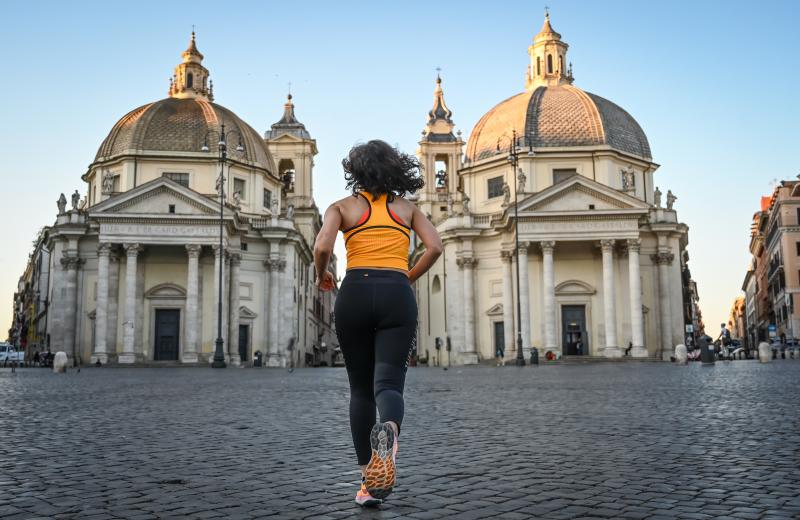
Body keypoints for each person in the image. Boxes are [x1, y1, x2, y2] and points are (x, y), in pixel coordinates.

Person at [313, 140, 442, 507]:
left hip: (354, 291)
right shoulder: (408, 209)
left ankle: (368, 484)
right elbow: (434, 247)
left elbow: (323, 246)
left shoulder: (342, 207)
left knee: (360, 391)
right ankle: (390, 429)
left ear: (355, 171)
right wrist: (407, 277)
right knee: (388, 384)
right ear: (395, 168)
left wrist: (322, 275)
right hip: (396, 294)